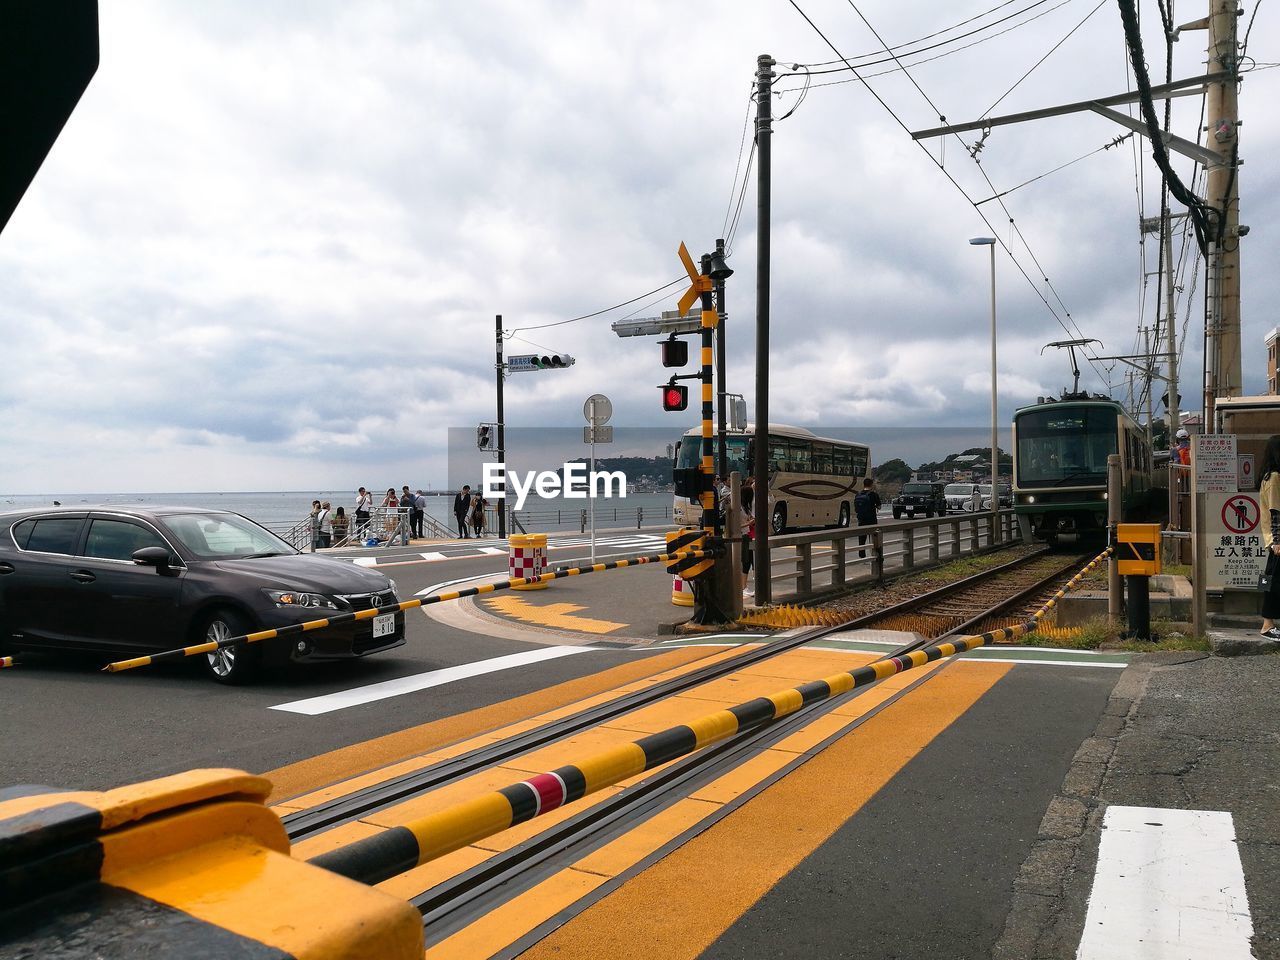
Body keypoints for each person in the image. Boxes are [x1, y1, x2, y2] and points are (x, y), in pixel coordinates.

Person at [1259, 436, 1280, 640]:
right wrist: (1277, 541)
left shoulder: (1270, 476)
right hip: (1276, 541)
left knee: (1271, 580)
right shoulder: (1274, 477)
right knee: (1273, 582)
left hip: (1274, 540)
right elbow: (1275, 512)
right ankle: (1267, 625)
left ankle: (1269, 623)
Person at [854, 477, 881, 560]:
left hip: (861, 519)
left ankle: (862, 555)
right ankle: (875, 555)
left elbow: (856, 508)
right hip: (871, 519)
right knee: (874, 538)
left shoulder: (858, 494)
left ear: (864, 484)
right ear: (871, 484)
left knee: (862, 538)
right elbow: (879, 507)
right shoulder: (873, 494)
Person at [740, 478, 756, 598]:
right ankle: (743, 587)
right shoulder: (740, 509)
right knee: (745, 562)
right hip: (742, 536)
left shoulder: (745, 507)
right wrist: (749, 523)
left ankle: (744, 586)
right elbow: (734, 525)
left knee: (748, 561)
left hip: (747, 535)